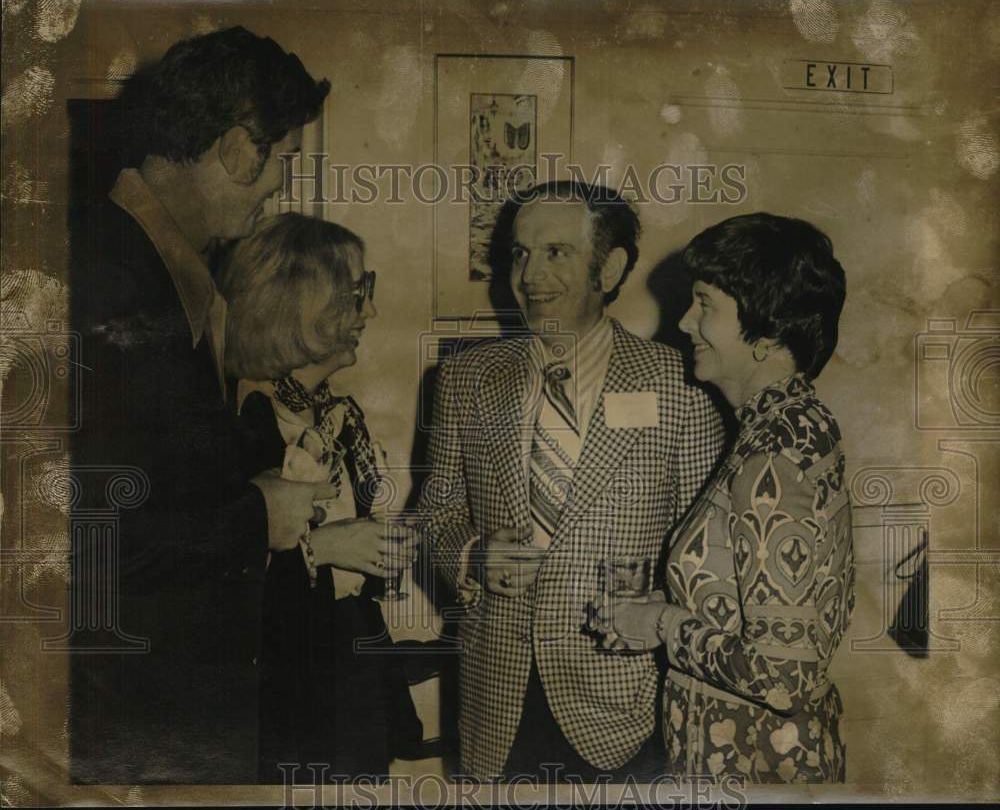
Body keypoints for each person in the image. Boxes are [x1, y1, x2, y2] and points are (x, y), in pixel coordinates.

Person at [69, 28, 331, 782]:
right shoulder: (107, 279)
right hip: (133, 722)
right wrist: (259, 518)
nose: (280, 184)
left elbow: (156, 473)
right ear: (241, 149)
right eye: (281, 160)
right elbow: (83, 540)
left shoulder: (146, 264)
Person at [420, 180, 726, 781]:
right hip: (495, 706)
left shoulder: (681, 385)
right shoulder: (462, 379)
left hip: (624, 710)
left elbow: (708, 560)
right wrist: (472, 554)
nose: (531, 275)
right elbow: (435, 515)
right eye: (520, 253)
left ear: (608, 269)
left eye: (556, 252)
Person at [590, 212, 853, 783]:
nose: (685, 321)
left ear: (764, 327)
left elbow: (783, 676)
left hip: (751, 763)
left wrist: (661, 623)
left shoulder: (775, 457)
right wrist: (656, 609)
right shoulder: (783, 427)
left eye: (705, 304)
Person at [218, 212, 423, 782]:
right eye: (357, 295)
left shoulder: (336, 414)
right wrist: (324, 548)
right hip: (282, 680)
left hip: (345, 659)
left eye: (368, 291)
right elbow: (212, 572)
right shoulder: (239, 417)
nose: (372, 311)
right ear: (301, 305)